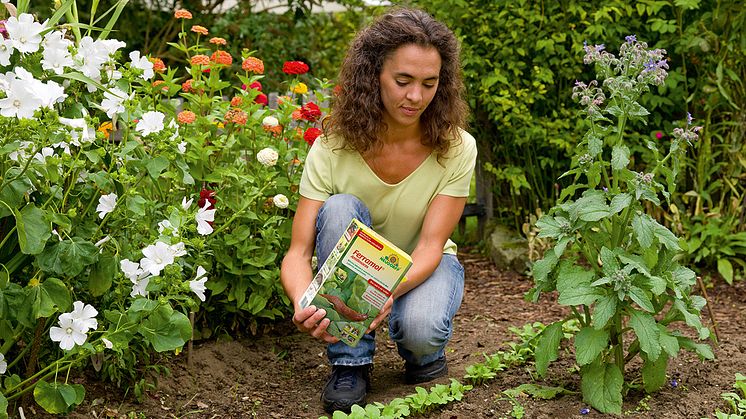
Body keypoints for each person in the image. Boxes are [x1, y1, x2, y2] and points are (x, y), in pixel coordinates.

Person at [279, 7, 477, 414]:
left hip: (422, 264)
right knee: (339, 208)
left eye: (429, 83)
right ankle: (351, 364)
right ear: (374, 75)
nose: (415, 97)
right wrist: (304, 302)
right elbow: (298, 252)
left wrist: (382, 294)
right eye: (402, 81)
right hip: (352, 269)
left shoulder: (457, 147)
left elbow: (430, 247)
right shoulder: (333, 146)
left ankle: (423, 355)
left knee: (420, 332)